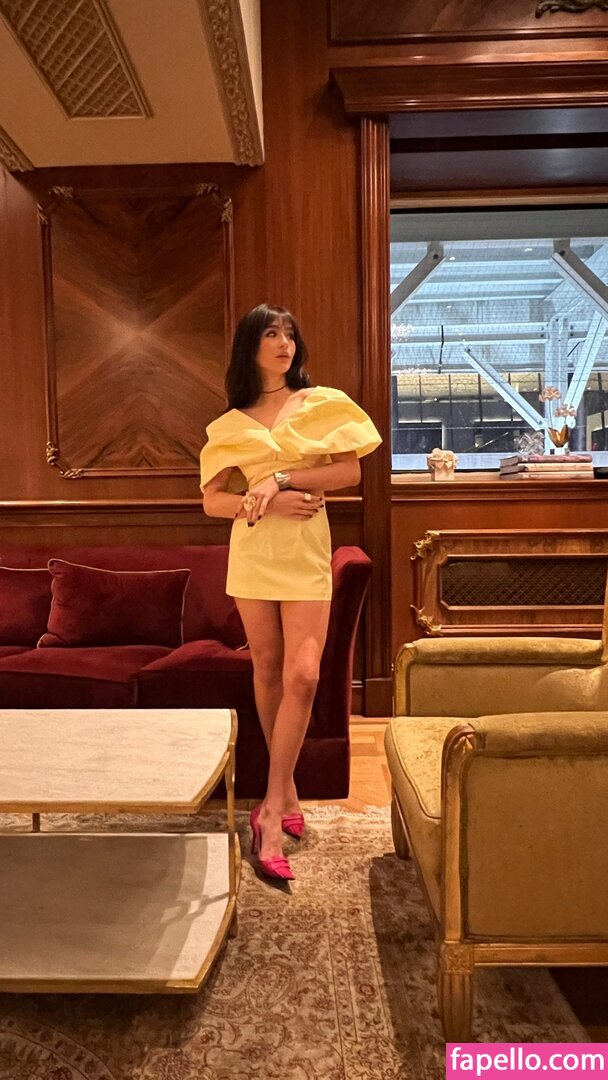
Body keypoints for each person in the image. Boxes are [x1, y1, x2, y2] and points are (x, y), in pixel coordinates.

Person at [199, 303, 381, 881]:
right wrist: (262, 503)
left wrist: (281, 479)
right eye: (272, 334)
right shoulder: (231, 424)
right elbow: (212, 501)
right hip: (255, 552)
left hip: (304, 554)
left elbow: (348, 473)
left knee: (304, 675)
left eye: (290, 335)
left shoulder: (321, 403)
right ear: (249, 346)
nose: (284, 343)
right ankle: (289, 794)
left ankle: (271, 807)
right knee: (269, 670)